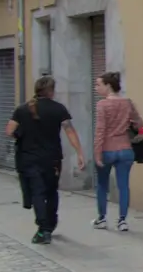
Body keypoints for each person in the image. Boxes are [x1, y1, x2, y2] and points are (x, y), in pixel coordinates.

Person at [6, 76, 86, 244]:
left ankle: (43, 229)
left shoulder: (22, 109)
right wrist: (79, 152)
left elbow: (10, 130)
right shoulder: (58, 109)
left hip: (28, 158)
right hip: (52, 159)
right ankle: (50, 223)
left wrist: (21, 135)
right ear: (51, 91)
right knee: (51, 191)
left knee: (37, 193)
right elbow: (70, 131)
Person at [93, 71, 143, 232]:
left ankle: (101, 218)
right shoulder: (127, 103)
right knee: (124, 186)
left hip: (107, 149)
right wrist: (130, 125)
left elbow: (100, 130)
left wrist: (97, 152)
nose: (96, 88)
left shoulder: (102, 105)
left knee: (102, 185)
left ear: (108, 86)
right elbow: (139, 123)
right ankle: (122, 221)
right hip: (125, 149)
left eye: (98, 85)